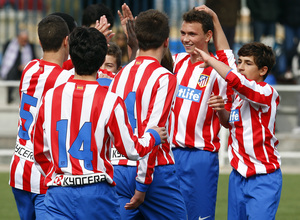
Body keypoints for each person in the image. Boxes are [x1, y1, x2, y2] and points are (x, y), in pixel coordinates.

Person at [33, 26, 167, 220]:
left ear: (71, 52)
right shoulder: (110, 100)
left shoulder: (51, 96)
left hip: (59, 192)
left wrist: (58, 177)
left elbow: (39, 151)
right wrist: (153, 136)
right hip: (96, 192)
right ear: (101, 57)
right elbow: (132, 150)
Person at [109, 9, 187, 219]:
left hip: (119, 167)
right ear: (166, 41)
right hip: (153, 171)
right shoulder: (164, 77)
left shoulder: (119, 75)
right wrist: (143, 185)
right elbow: (153, 131)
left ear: (138, 38)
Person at [197, 42, 282, 220]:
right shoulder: (238, 97)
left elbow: (236, 80)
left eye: (248, 63)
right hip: (238, 176)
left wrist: (211, 60)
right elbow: (228, 123)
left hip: (263, 176)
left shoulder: (267, 92)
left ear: (263, 70)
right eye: (240, 62)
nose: (241, 67)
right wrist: (221, 109)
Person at [171, 5, 236, 220]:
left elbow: (227, 123)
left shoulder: (217, 69)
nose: (186, 39)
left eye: (192, 34)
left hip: (201, 157)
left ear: (208, 36)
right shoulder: (176, 62)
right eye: (183, 33)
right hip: (170, 155)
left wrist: (215, 20)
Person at [8, 15, 74, 220]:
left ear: (39, 41)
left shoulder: (29, 68)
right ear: (66, 41)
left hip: (19, 167)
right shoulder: (66, 78)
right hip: (43, 173)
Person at [0, 29, 36, 104]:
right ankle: (9, 97)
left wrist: (25, 66)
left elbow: (33, 60)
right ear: (18, 38)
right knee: (11, 73)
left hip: (24, 70)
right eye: (23, 40)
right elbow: (7, 62)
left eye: (26, 40)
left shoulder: (30, 47)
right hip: (12, 70)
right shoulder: (9, 45)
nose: (24, 42)